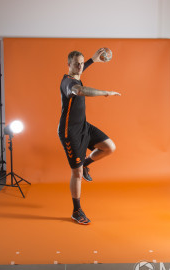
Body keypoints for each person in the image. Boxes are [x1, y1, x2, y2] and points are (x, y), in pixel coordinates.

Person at [58, 48, 120, 225]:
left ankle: (86, 164)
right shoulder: (68, 83)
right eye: (76, 63)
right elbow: (81, 90)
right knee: (76, 173)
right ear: (68, 64)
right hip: (69, 133)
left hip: (84, 126)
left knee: (109, 147)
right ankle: (76, 210)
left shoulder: (76, 73)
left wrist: (93, 60)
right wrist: (105, 93)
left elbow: (81, 70)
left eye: (82, 63)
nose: (79, 66)